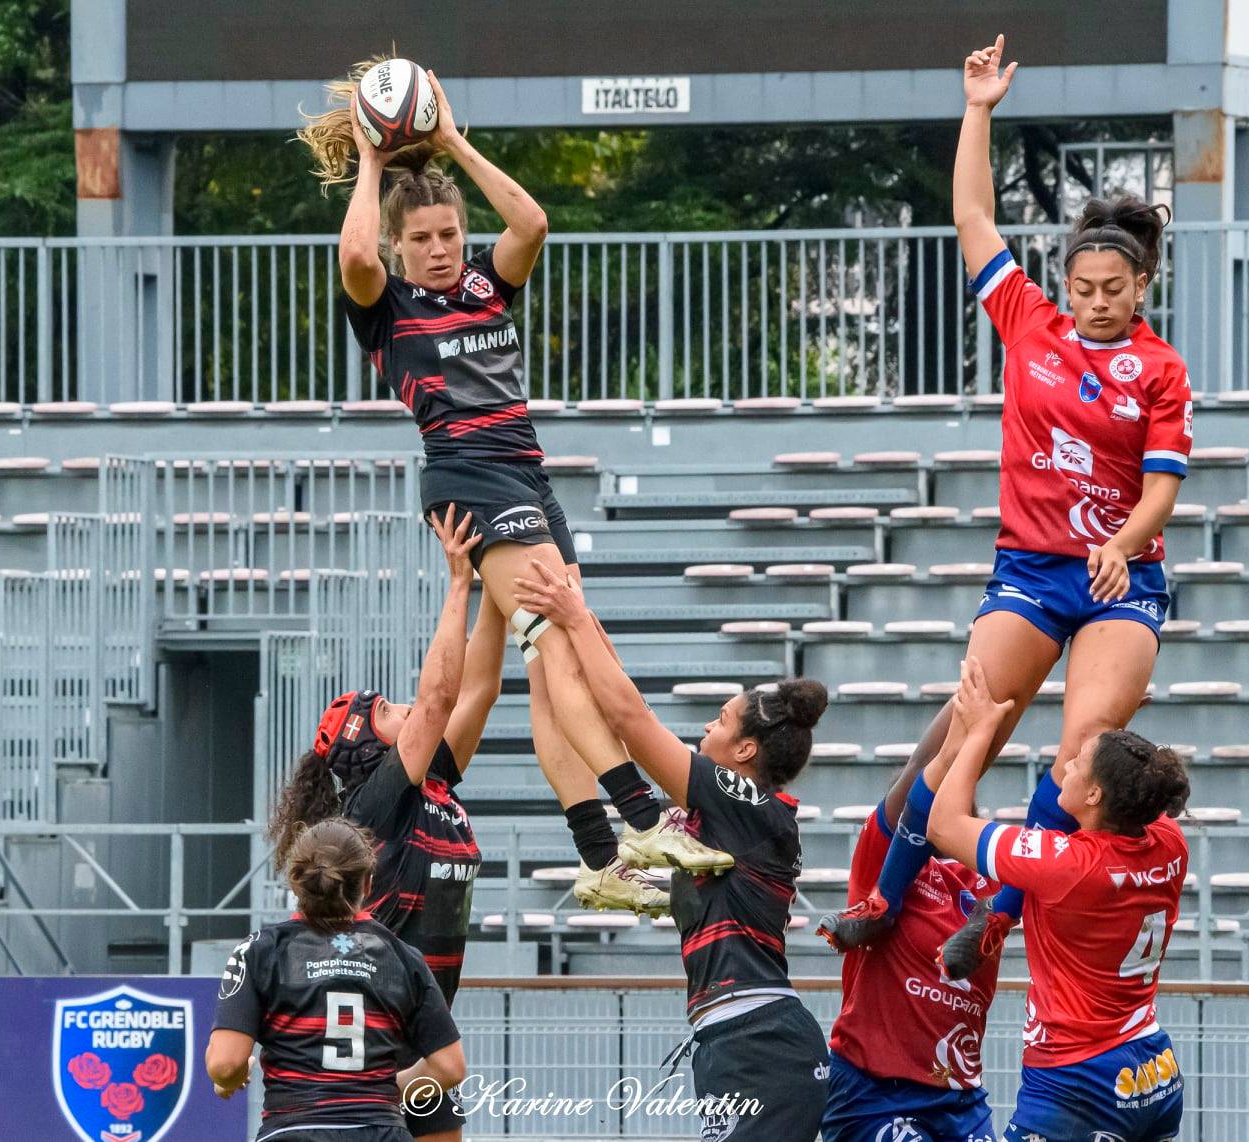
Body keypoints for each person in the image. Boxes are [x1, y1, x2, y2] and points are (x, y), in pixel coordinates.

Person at [302, 59, 730, 915]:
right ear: (397, 247)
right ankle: (644, 818)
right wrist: (374, 159)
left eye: (447, 235)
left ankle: (600, 859)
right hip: (469, 476)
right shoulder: (387, 306)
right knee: (560, 646)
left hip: (527, 476)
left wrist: (455, 143)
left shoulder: (484, 283)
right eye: (420, 239)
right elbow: (351, 251)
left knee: (545, 667)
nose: (437, 249)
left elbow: (532, 221)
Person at [829, 33, 1192, 979]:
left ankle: (995, 916)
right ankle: (885, 897)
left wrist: (1122, 542)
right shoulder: (1030, 321)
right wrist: (978, 110)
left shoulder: (1161, 370)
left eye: (1114, 290)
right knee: (970, 723)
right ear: (1064, 285)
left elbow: (1161, 489)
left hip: (1121, 584)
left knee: (1082, 760)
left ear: (1142, 286)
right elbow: (973, 215)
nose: (1096, 302)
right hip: (1030, 570)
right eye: (1083, 289)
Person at [513, 558, 831, 1142]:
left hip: (761, 1042)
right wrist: (557, 629)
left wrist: (572, 620)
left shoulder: (747, 804)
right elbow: (609, 708)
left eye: (720, 720)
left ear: (745, 751)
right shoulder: (727, 812)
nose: (706, 728)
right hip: (737, 1039)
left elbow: (630, 716)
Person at [273, 505, 488, 1140]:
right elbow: (440, 698)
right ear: (368, 749)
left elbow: (480, 691)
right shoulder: (372, 803)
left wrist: (500, 594)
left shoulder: (431, 780)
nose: (405, 708)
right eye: (388, 710)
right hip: (375, 1038)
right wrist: (459, 582)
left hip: (420, 1034)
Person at [926, 657, 1190, 1142]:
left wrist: (981, 730)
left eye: (1077, 764)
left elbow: (942, 825)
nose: (1065, 766)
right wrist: (1121, 738)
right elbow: (1139, 791)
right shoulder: (1169, 842)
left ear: (1094, 796)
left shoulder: (1068, 865)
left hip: (1078, 1080)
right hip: (1154, 1071)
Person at [207, 817, 467, 1142]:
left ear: (295, 882)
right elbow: (449, 1068)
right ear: (368, 884)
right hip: (381, 1133)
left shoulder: (259, 951)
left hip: (294, 1131)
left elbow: (225, 1065)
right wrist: (383, 1091)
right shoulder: (402, 957)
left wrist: (229, 1080)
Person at [817, 740, 1002, 1141]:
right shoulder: (886, 864)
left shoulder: (992, 879)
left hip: (959, 1096)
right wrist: (969, 716)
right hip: (875, 1091)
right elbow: (922, 766)